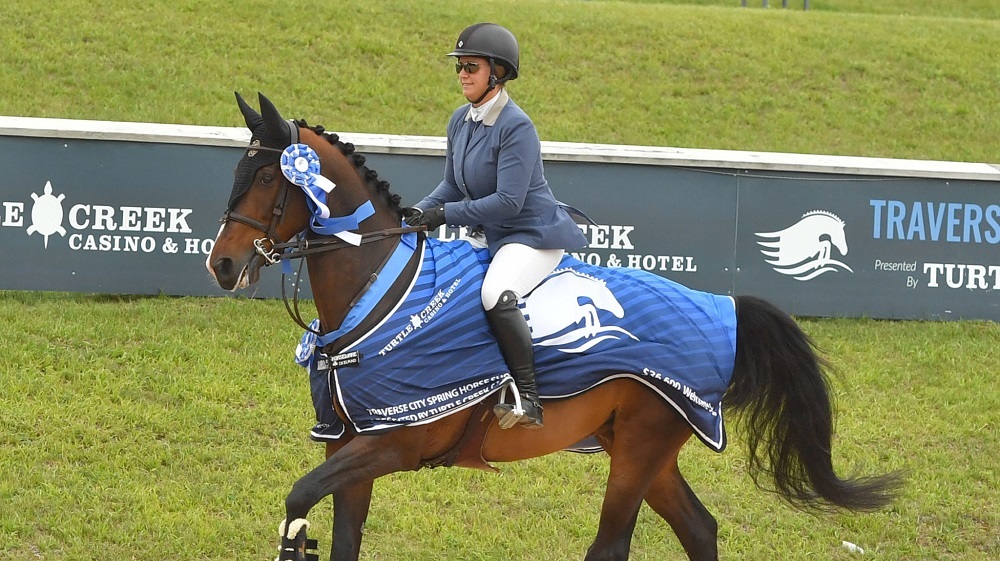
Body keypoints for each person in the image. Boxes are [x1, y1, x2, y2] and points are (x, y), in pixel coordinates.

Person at [403, 23, 588, 429]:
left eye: (471, 66)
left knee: (494, 293)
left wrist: (443, 216)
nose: (462, 74)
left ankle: (530, 399)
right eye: (459, 67)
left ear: (497, 73)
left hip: (529, 235)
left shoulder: (517, 126)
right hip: (489, 235)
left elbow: (508, 202)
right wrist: (418, 211)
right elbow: (452, 185)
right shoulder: (460, 120)